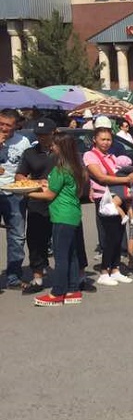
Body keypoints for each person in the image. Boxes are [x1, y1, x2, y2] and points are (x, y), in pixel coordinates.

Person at [28, 132, 87, 307]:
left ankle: (57, 292)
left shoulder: (60, 168)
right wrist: (45, 185)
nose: (51, 147)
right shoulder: (75, 166)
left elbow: (50, 194)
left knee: (61, 256)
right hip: (73, 213)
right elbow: (61, 187)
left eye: (54, 145)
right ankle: (73, 289)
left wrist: (28, 193)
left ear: (61, 147)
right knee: (71, 253)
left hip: (62, 215)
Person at [83, 123, 133, 287]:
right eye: (103, 139)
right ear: (95, 140)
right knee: (110, 235)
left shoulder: (112, 157)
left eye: (109, 139)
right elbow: (100, 177)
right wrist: (126, 179)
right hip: (104, 198)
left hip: (119, 196)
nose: (106, 142)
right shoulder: (90, 156)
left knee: (119, 234)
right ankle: (105, 271)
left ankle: (115, 268)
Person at [16, 117, 57, 294]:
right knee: (35, 240)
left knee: (64, 239)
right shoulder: (30, 153)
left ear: (53, 133)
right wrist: (33, 182)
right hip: (37, 201)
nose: (41, 138)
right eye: (39, 135)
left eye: (45, 134)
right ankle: (38, 276)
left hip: (60, 201)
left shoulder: (61, 151)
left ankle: (73, 276)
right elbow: (19, 175)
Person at [0, 108, 32, 289]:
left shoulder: (23, 141)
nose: (4, 128)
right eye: (1, 124)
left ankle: (14, 276)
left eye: (8, 125)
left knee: (17, 236)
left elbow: (28, 165)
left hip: (15, 193)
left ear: (16, 126)